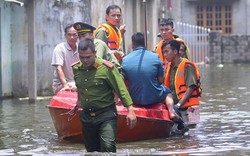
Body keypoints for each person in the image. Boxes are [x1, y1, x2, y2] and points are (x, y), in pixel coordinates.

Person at [72, 38, 137, 152]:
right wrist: (79, 101)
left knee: (108, 147)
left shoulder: (107, 68)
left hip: (106, 114)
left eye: (88, 57)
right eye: (82, 57)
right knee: (92, 151)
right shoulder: (77, 69)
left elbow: (121, 89)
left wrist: (130, 110)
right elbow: (80, 87)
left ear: (95, 53)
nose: (85, 60)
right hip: (87, 117)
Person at [122, 32, 178, 120]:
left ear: (132, 46)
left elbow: (125, 82)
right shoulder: (155, 57)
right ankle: (171, 112)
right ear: (145, 44)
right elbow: (160, 80)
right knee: (167, 91)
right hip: (153, 97)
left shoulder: (125, 60)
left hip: (134, 98)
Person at [162, 39, 202, 133]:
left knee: (188, 137)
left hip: (186, 109)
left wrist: (179, 105)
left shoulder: (187, 66)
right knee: (176, 135)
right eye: (163, 52)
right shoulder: (170, 67)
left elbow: (191, 87)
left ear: (175, 52)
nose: (164, 55)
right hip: (175, 108)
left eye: (167, 52)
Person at [51, 24, 79, 94]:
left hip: (75, 83)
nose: (72, 37)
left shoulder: (80, 48)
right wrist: (65, 85)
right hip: (61, 85)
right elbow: (59, 68)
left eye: (74, 35)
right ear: (65, 36)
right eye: (69, 35)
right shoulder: (60, 48)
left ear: (78, 36)